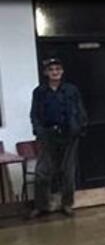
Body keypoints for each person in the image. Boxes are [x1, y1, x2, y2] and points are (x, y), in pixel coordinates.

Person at [29, 58, 87, 218]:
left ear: (62, 72)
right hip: (48, 136)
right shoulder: (39, 92)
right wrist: (38, 131)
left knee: (68, 172)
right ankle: (41, 206)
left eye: (58, 69)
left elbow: (80, 110)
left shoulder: (71, 90)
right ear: (46, 73)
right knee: (42, 172)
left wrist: (80, 128)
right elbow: (34, 114)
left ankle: (67, 204)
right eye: (51, 69)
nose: (55, 72)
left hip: (69, 135)